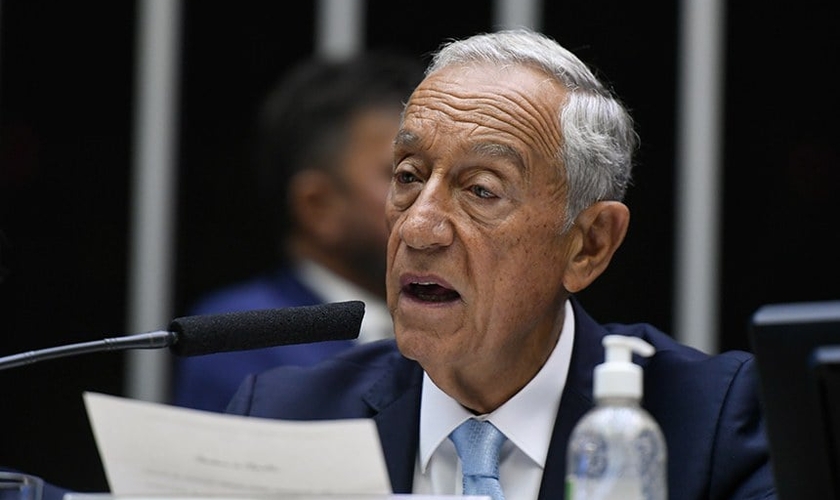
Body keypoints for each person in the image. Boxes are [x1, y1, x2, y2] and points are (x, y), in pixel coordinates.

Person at [226, 29, 776, 499]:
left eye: (481, 190)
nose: (418, 228)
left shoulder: (711, 427)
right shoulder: (283, 422)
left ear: (588, 245)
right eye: (408, 177)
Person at [172, 51, 425, 412]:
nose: (432, 199)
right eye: (404, 175)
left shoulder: (454, 323)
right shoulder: (242, 335)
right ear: (318, 206)